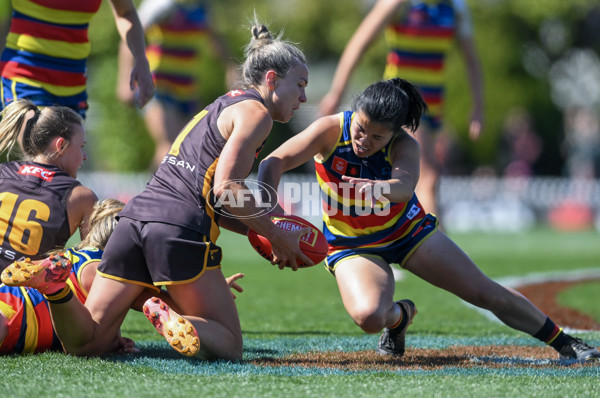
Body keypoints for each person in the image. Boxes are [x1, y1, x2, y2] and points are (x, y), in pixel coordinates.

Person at [1, 19, 311, 361]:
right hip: (179, 228)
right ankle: (173, 317)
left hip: (134, 220)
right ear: (271, 79)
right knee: (228, 344)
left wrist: (258, 231)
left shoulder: (221, 104)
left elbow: (211, 194)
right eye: (299, 85)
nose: (304, 97)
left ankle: (57, 290)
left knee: (87, 344)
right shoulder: (257, 113)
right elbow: (226, 188)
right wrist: (276, 235)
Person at [258, 78, 600, 361]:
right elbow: (271, 163)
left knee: (483, 292)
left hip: (409, 232)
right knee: (368, 317)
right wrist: (271, 223)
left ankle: (566, 343)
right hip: (351, 244)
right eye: (361, 129)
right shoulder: (329, 130)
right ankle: (400, 317)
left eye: (377, 137)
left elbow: (404, 188)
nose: (364, 141)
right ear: (355, 112)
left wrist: (372, 189)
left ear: (394, 133)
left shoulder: (406, 145)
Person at [0, 198, 245, 354]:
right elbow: (170, 306)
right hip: (23, 321)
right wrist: (211, 295)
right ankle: (54, 289)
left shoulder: (74, 256)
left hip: (10, 299)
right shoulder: (110, 273)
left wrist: (113, 339)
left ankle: (52, 285)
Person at [319, 0, 484, 217]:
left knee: (421, 177)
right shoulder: (399, 3)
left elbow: (471, 60)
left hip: (433, 106)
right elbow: (359, 44)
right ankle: (433, 244)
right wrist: (336, 92)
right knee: (429, 176)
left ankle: (408, 234)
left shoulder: (455, 7)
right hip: (401, 103)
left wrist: (478, 107)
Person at [117, 0, 236, 169]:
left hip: (187, 90)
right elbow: (130, 35)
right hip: (157, 86)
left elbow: (215, 38)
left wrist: (230, 67)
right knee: (169, 147)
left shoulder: (201, 7)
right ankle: (150, 193)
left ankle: (170, 193)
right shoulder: (162, 5)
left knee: (192, 150)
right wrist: (124, 80)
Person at [0, 0, 154, 118]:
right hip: (24, 76)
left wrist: (140, 58)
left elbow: (125, 12)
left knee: (67, 157)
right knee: (41, 148)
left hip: (73, 85)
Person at [0, 99, 97, 271]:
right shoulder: (81, 197)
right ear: (61, 145)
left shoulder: (2, 172)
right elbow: (92, 267)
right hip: (19, 295)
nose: (85, 156)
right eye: (81, 147)